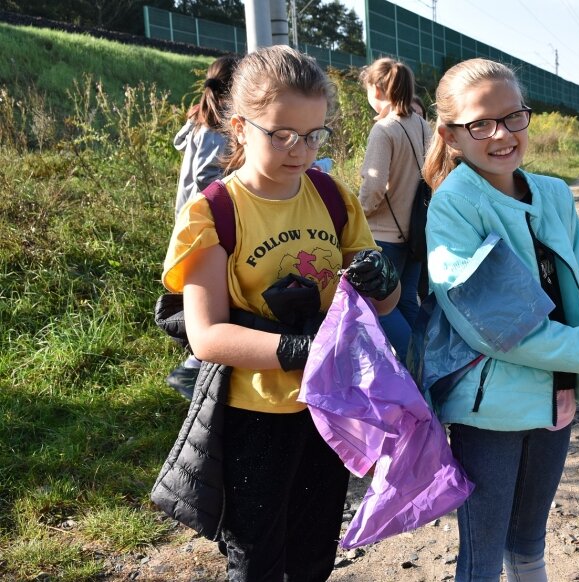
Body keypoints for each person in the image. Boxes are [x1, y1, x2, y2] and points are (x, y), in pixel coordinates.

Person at [161, 45, 400, 581]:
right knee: (256, 558)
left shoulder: (333, 196)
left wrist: (384, 284)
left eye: (314, 135)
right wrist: (302, 350)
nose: (301, 150)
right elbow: (206, 336)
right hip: (256, 416)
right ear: (241, 127)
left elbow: (383, 305)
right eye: (283, 134)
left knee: (315, 552)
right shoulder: (214, 213)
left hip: (328, 410)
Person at [420, 58, 579, 582]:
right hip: (491, 414)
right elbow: (496, 326)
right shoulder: (453, 207)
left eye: (513, 117)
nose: (501, 135)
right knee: (482, 556)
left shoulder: (554, 194)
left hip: (557, 399)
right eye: (480, 124)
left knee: (529, 542)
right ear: (450, 135)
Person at [166, 53, 239, 398]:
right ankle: (193, 368)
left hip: (193, 220)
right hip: (205, 224)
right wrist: (241, 181)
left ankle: (199, 363)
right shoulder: (215, 124)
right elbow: (206, 176)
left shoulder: (201, 117)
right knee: (214, 299)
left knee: (202, 298)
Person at [358, 57, 432, 362]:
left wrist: (357, 216)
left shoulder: (384, 130)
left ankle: (413, 365)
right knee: (406, 303)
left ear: (377, 88)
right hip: (415, 232)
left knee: (378, 304)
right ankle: (429, 364)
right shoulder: (423, 125)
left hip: (384, 236)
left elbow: (374, 186)